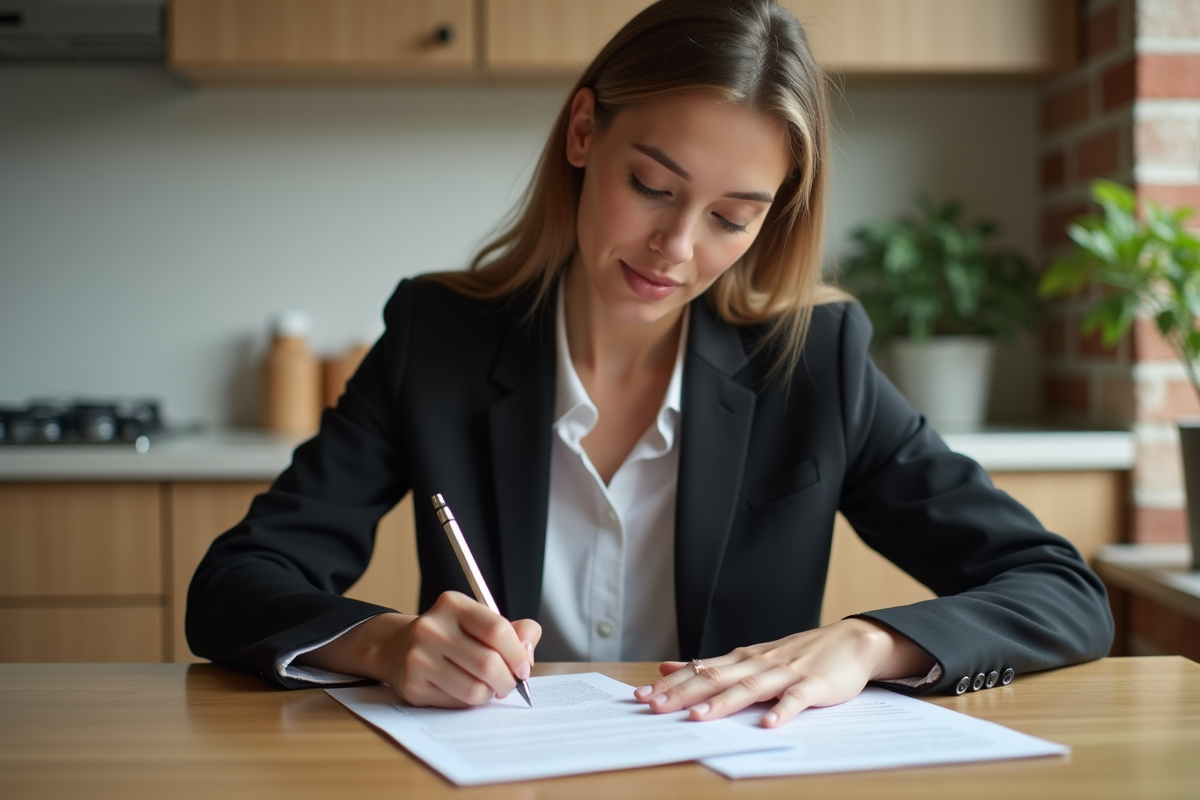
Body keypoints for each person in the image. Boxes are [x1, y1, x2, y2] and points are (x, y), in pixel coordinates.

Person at [187, 0, 1113, 729]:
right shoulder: (439, 339)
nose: (676, 247)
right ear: (583, 132)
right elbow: (235, 585)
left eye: (732, 217)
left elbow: (1060, 590)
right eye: (653, 186)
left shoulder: (814, 361)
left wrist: (868, 644)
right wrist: (385, 645)